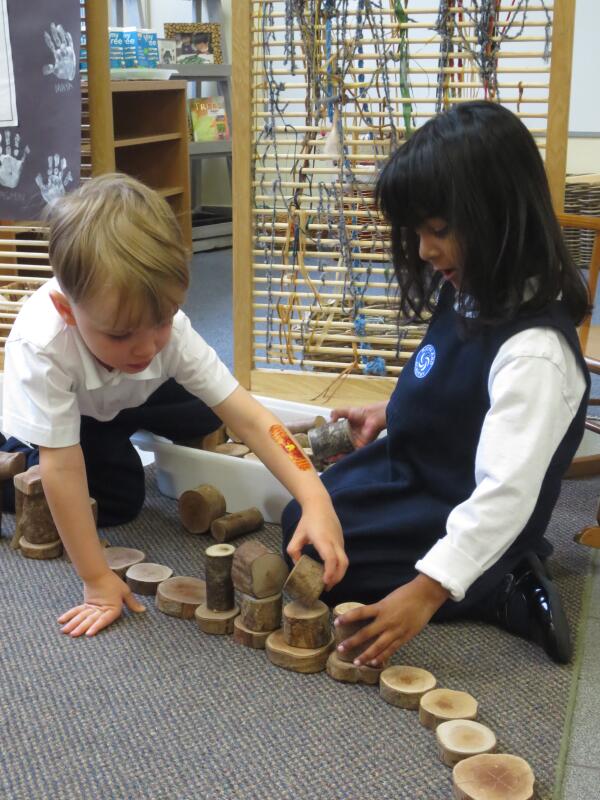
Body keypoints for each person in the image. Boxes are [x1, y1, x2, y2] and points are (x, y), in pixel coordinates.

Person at [282, 100, 591, 666]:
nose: (425, 251)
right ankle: (484, 570)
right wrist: (393, 410)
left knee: (340, 568)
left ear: (499, 217)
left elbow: (504, 493)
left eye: (439, 231)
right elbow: (450, 379)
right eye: (417, 232)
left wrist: (425, 594)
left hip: (462, 499)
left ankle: (501, 583)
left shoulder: (536, 354)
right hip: (419, 464)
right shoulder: (469, 282)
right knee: (301, 520)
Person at [0, 173, 347, 637]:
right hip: (76, 413)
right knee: (119, 501)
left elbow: (249, 417)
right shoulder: (43, 347)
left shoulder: (167, 336)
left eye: (161, 321)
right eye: (122, 333)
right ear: (68, 311)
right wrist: (97, 579)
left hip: (127, 394)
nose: (146, 346)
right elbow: (63, 467)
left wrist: (315, 499)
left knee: (209, 409)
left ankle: (120, 391)